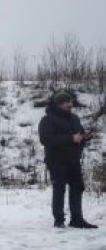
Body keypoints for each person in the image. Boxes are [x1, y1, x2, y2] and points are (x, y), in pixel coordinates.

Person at [39, 91, 97, 229]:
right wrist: (70, 138)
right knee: (59, 189)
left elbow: (79, 135)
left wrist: (85, 137)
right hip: (56, 160)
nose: (71, 104)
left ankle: (77, 219)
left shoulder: (74, 118)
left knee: (77, 187)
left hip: (73, 159)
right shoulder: (48, 119)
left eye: (71, 102)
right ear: (59, 104)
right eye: (67, 102)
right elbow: (46, 139)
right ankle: (59, 220)